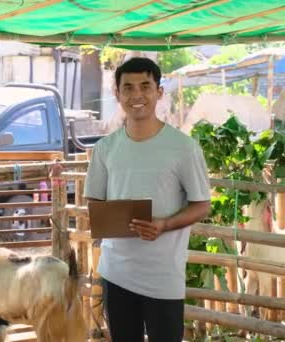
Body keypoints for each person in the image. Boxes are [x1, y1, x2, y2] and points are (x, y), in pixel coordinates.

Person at [83, 57, 211, 342]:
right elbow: (93, 202)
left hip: (163, 275)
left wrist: (165, 224)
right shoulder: (105, 149)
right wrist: (105, 217)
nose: (137, 95)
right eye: (128, 88)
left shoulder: (184, 148)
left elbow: (202, 204)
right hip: (116, 272)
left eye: (145, 86)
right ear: (117, 94)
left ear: (159, 92)